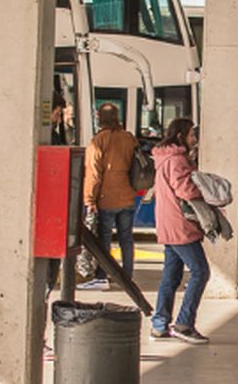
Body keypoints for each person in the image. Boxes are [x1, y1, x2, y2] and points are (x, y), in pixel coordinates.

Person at [148, 118, 211, 344]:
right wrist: (207, 189)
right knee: (200, 271)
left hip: (167, 222)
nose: (194, 139)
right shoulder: (177, 160)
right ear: (180, 136)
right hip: (180, 225)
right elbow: (185, 190)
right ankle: (184, 324)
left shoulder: (164, 157)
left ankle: (159, 324)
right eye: (191, 134)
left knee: (171, 276)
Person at [80, 102, 138, 289]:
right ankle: (126, 277)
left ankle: (102, 276)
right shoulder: (129, 138)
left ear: (99, 119)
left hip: (107, 198)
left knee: (104, 238)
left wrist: (89, 199)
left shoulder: (99, 141)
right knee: (126, 238)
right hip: (128, 196)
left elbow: (94, 173)